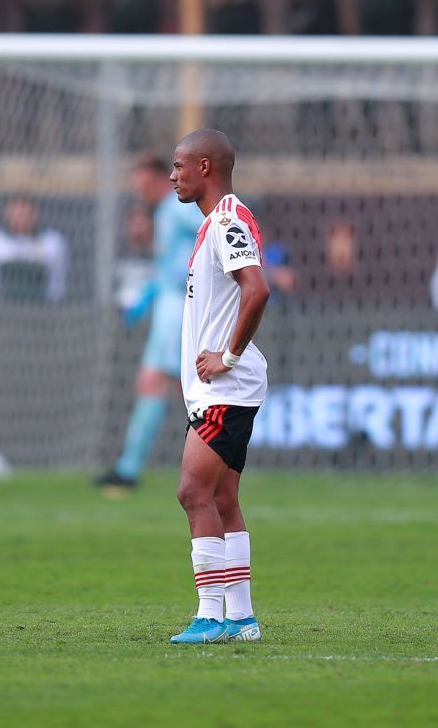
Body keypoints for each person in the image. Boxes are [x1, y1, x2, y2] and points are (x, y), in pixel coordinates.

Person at [168, 129, 270, 645]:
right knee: (223, 498)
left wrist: (227, 356)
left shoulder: (227, 220)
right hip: (221, 389)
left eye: (180, 166)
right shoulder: (219, 221)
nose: (173, 176)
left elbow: (258, 289)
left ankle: (210, 616)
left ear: (205, 167)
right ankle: (243, 618)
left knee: (193, 491)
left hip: (225, 389)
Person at [96, 154, 205, 492]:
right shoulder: (164, 214)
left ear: (162, 180)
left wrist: (193, 274)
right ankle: (132, 467)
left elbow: (213, 232)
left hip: (182, 308)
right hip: (170, 306)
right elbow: (167, 266)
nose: (140, 191)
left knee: (159, 382)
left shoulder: (178, 208)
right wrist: (144, 301)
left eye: (144, 183)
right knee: (173, 386)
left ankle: (130, 469)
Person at [0, 196, 68, 302]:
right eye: (17, 214)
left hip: (42, 306)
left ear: (35, 215)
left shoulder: (52, 242)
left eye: (26, 214)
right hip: (3, 305)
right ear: (7, 214)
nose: (22, 219)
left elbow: (57, 281)